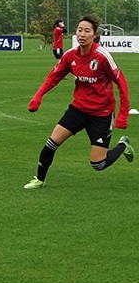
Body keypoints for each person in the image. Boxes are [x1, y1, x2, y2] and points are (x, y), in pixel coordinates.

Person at [25, 15, 134, 189]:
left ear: (94, 35)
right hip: (78, 109)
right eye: (79, 30)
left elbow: (121, 82)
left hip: (101, 114)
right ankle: (39, 179)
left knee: (98, 164)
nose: (82, 34)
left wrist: (122, 114)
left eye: (87, 31)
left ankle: (123, 145)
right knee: (51, 144)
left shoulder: (102, 56)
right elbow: (53, 77)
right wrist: (38, 96)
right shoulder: (70, 56)